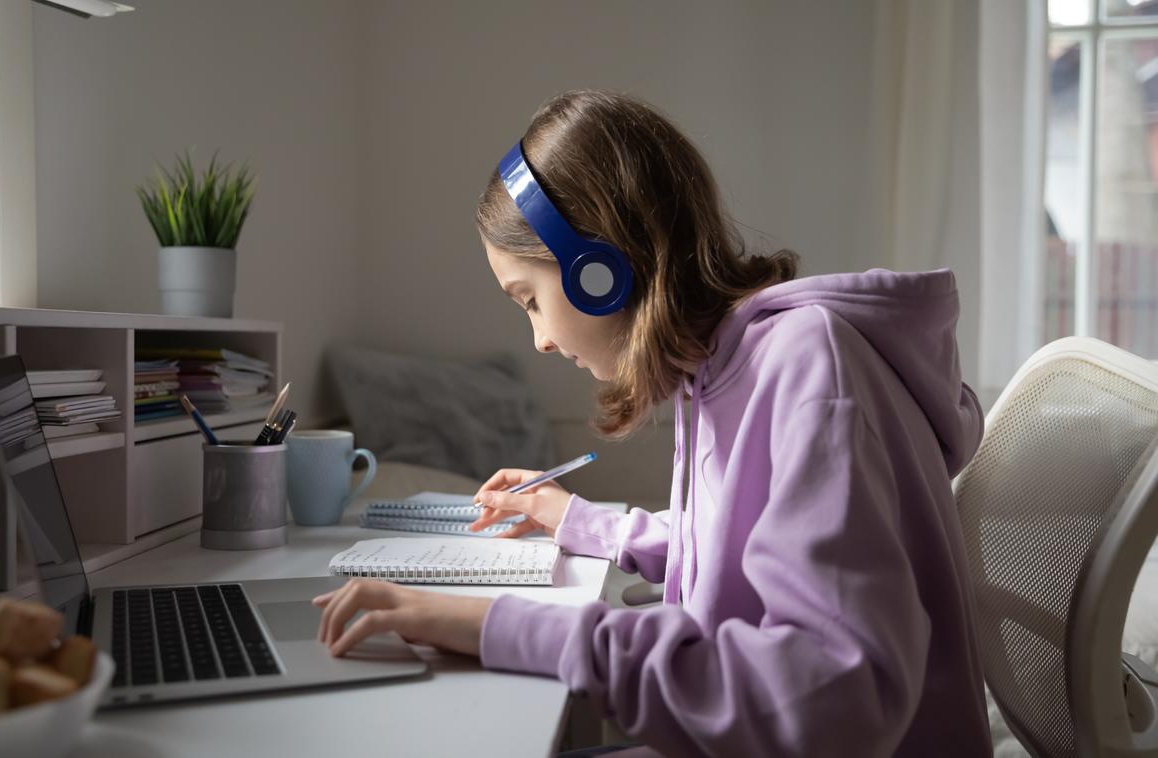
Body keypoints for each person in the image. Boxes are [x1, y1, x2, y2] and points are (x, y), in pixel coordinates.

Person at [314, 89, 993, 756]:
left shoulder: (807, 367)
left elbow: (836, 698)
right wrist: (577, 521)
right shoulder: (723, 368)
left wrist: (502, 626)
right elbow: (745, 544)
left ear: (597, 272)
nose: (540, 341)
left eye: (529, 300)